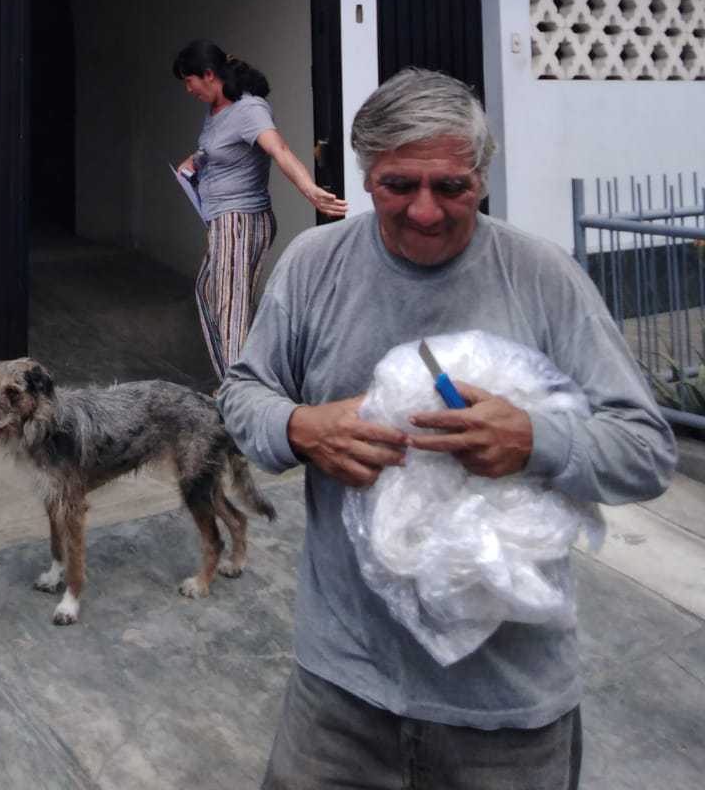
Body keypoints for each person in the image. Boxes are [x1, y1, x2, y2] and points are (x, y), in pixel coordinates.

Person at [218, 67, 675, 790]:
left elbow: (645, 450)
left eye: (452, 187)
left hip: (507, 709)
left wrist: (535, 440)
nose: (425, 211)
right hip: (340, 694)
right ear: (366, 175)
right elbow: (242, 394)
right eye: (399, 185)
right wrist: (300, 426)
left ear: (483, 178)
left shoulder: (542, 277)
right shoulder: (314, 265)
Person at [172, 39, 347, 381]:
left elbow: (279, 150)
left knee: (231, 310)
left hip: (241, 221)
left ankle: (239, 390)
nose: (188, 89)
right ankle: (237, 384)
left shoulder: (249, 109)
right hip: (221, 221)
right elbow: (218, 151)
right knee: (208, 293)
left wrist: (310, 190)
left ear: (208, 74)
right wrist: (193, 162)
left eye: (189, 81)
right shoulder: (217, 110)